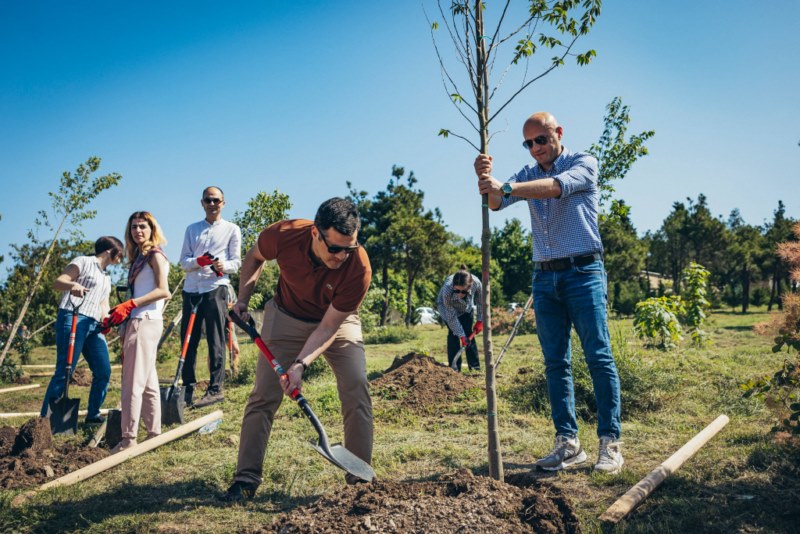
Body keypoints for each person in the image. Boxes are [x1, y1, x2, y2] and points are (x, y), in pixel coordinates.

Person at [474, 111, 623, 474]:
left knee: (598, 356)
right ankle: (568, 444)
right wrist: (486, 179)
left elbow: (555, 187)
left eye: (540, 139)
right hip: (544, 277)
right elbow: (496, 203)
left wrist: (505, 187)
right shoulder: (527, 173)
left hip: (583, 272)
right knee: (556, 363)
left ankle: (610, 442)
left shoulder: (583, 163)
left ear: (558, 133)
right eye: (528, 143)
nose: (535, 148)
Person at [220, 197, 373, 502]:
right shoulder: (285, 234)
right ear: (316, 233)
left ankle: (359, 482)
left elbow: (328, 327)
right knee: (264, 395)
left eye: (349, 248)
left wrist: (300, 364)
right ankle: (245, 479)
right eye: (335, 248)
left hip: (336, 320)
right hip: (286, 316)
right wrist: (243, 300)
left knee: (356, 384)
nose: (342, 256)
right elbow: (255, 256)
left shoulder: (358, 267)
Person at [40, 236, 124, 424]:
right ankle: (44, 422)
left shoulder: (106, 277)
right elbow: (58, 282)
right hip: (73, 317)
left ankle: (93, 414)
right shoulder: (84, 261)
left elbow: (103, 304)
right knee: (65, 370)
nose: (121, 257)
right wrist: (73, 285)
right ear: (109, 250)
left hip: (94, 326)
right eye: (120, 253)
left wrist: (108, 320)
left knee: (103, 370)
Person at [108, 212, 171, 453]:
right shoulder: (139, 259)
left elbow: (164, 291)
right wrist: (123, 319)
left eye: (142, 226)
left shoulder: (155, 255)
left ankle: (128, 439)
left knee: (132, 382)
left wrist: (131, 305)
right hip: (141, 320)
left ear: (152, 228)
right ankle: (154, 433)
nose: (138, 231)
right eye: (133, 227)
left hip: (144, 321)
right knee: (148, 382)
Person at [179, 186, 242, 408]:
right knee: (188, 339)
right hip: (191, 289)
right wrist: (199, 261)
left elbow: (236, 263)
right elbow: (184, 262)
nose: (212, 204)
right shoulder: (192, 229)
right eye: (208, 200)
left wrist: (222, 265)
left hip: (216, 286)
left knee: (216, 339)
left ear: (223, 203)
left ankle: (215, 388)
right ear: (202, 203)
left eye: (216, 200)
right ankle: (187, 389)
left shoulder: (232, 229)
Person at [436, 265, 483, 371]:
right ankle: (455, 368)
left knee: (468, 333)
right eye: (457, 291)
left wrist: (480, 320)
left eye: (464, 292)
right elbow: (452, 317)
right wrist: (461, 336)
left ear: (469, 287)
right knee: (454, 334)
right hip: (447, 307)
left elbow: (481, 302)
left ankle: (475, 367)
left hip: (466, 308)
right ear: (453, 286)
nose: (460, 294)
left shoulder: (476, 283)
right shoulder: (447, 290)